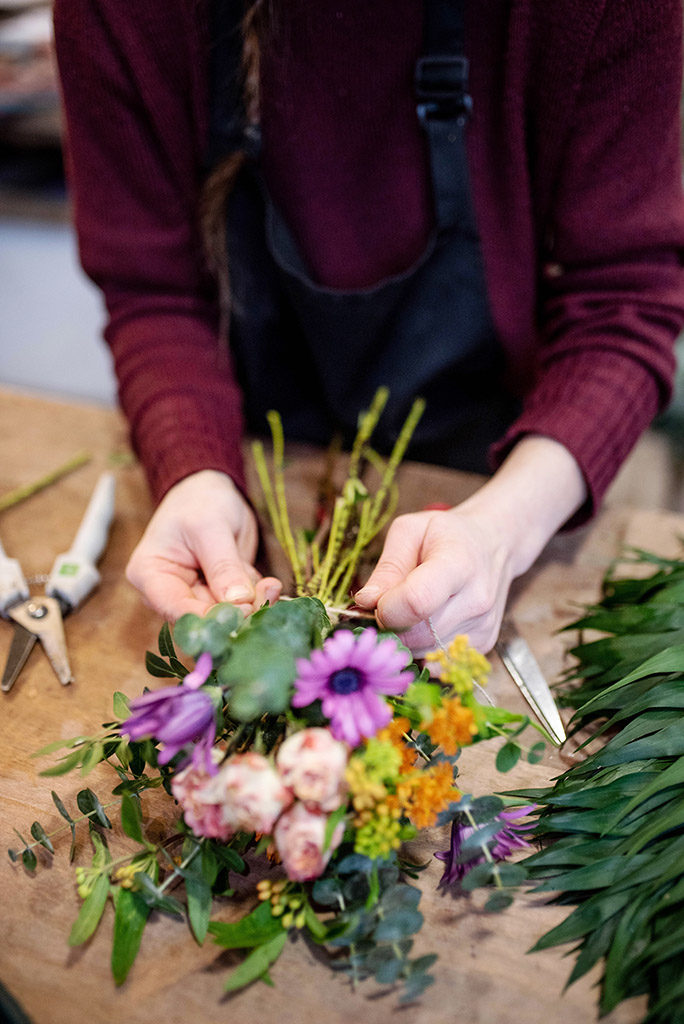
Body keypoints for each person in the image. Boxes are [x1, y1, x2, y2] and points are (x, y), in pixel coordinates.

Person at [53, 0, 684, 655]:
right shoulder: (129, 13)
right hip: (244, 437)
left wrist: (504, 530)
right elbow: (156, 292)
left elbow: (624, 301)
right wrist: (193, 471)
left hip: (507, 455)